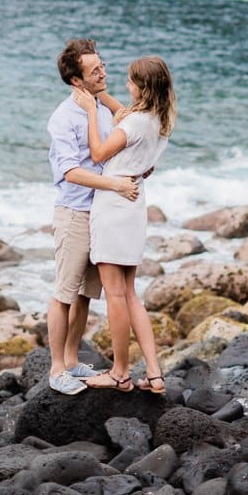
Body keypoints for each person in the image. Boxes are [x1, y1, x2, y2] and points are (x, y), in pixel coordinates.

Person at [72, 55, 176, 393]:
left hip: (115, 203)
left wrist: (90, 112)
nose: (125, 85)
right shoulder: (159, 120)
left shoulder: (133, 125)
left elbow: (100, 153)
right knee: (131, 294)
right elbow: (123, 114)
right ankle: (155, 373)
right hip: (135, 205)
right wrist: (99, 96)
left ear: (142, 88)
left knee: (115, 295)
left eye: (131, 81)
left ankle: (119, 373)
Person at [45, 38, 141, 396]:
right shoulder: (62, 118)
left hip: (101, 214)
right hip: (74, 212)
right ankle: (56, 368)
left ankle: (72, 359)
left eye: (102, 65)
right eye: (94, 70)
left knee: (85, 294)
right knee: (64, 294)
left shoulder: (100, 106)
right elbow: (70, 171)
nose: (103, 72)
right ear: (76, 80)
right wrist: (115, 185)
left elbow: (126, 131)